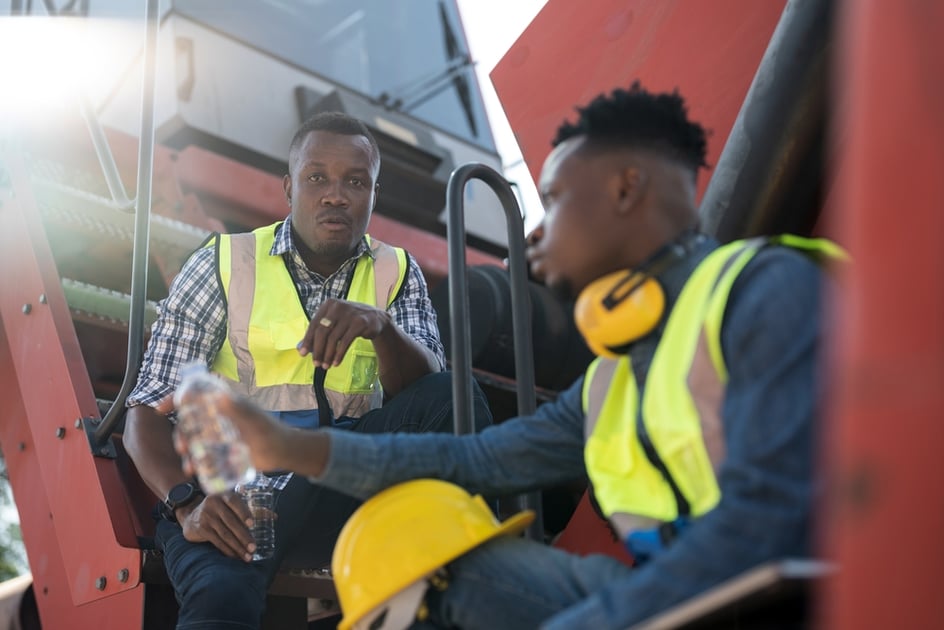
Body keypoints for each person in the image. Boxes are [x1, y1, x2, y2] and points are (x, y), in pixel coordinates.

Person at [175, 83, 838, 629]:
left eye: (552, 200)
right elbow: (477, 458)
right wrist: (293, 451)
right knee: (430, 575)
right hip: (685, 587)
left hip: (797, 597)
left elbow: (768, 538)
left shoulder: (769, 291)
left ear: (626, 190)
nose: (535, 231)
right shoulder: (614, 378)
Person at [123, 111, 492, 628]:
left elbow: (432, 398)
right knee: (220, 603)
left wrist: (380, 327)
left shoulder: (396, 272)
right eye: (317, 177)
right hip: (239, 500)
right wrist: (187, 505)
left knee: (455, 393)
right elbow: (146, 410)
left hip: (340, 486)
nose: (336, 195)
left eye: (355, 181)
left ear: (372, 195)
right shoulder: (224, 262)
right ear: (289, 188)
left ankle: (469, 560)